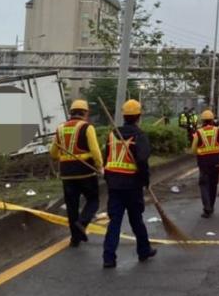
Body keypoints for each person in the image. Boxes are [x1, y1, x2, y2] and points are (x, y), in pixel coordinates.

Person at [102, 99, 156, 268]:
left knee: (115, 221)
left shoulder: (112, 134)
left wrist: (108, 177)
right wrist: (145, 181)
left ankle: (108, 257)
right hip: (132, 185)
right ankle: (144, 250)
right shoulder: (139, 136)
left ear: (124, 116)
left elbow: (106, 158)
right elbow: (142, 161)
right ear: (139, 116)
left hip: (114, 184)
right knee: (136, 219)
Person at [50, 99, 103, 248]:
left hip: (66, 173)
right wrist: (99, 166)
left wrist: (64, 157)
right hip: (85, 172)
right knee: (93, 201)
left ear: (71, 113)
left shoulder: (60, 128)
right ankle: (82, 222)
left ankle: (75, 239)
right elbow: (95, 150)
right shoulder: (87, 127)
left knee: (72, 206)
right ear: (85, 113)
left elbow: (53, 153)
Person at [191, 109, 219, 217]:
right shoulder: (218, 131)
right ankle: (212, 206)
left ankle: (207, 208)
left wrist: (200, 152)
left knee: (204, 185)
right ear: (212, 120)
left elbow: (193, 149)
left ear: (203, 121)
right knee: (213, 185)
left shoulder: (199, 132)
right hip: (216, 162)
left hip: (204, 162)